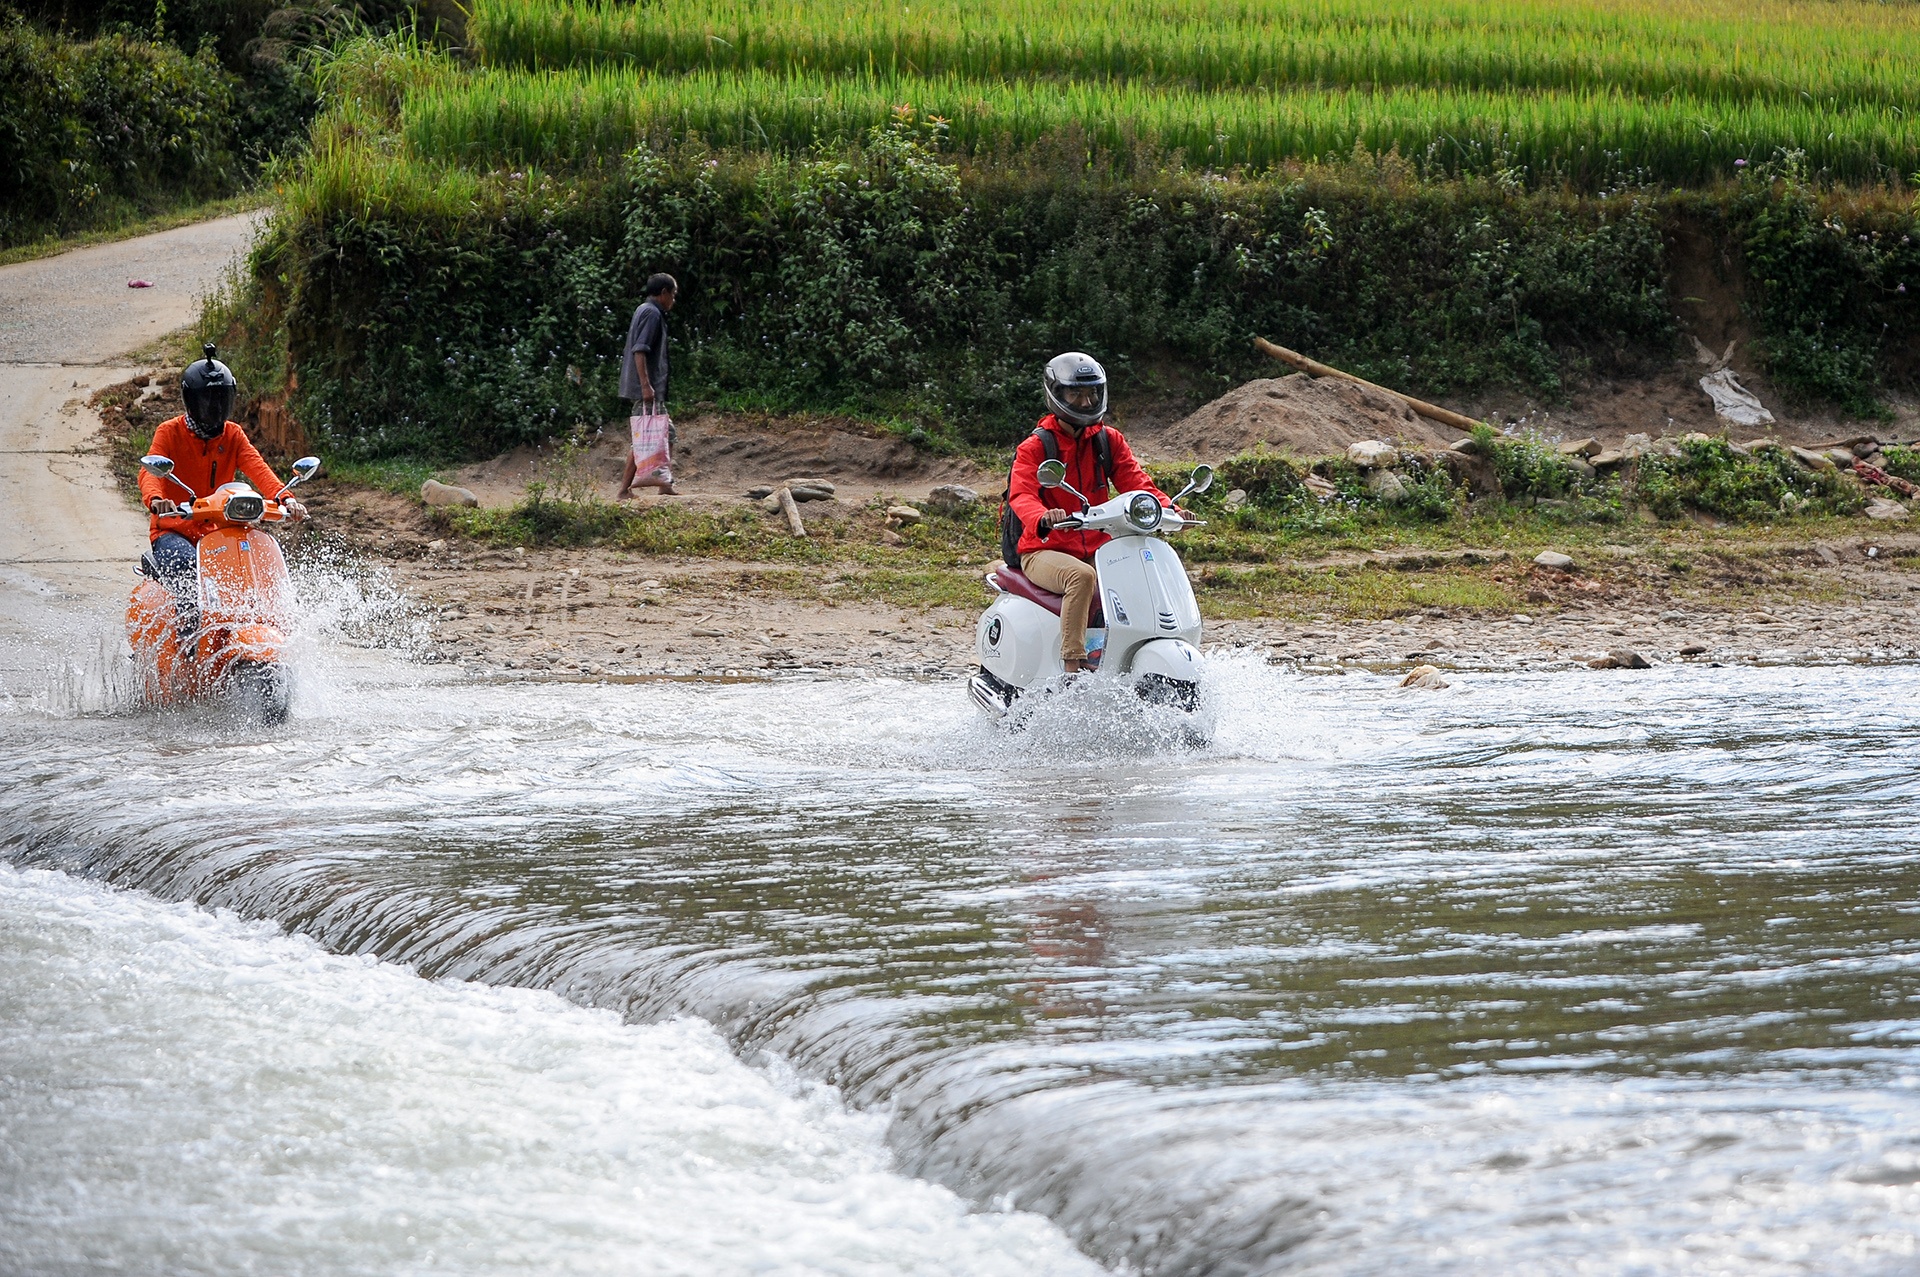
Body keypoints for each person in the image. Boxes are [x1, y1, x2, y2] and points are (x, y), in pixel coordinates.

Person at [1004, 352, 1172, 673]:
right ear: (1056, 393)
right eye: (1076, 393)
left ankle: (1129, 656)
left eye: (1092, 392)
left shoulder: (1108, 441)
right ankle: (1073, 667)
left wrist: (1170, 508)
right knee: (1080, 577)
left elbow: (1136, 483)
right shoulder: (1037, 446)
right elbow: (1021, 493)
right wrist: (1042, 516)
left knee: (1138, 569)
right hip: (1043, 549)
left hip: (1096, 546)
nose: (1085, 401)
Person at [138, 345, 306, 642]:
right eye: (207, 400)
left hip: (218, 530)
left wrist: (286, 498)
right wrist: (156, 501)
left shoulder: (233, 434)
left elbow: (258, 468)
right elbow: (150, 471)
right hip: (174, 532)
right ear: (191, 401)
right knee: (190, 572)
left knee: (251, 571)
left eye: (220, 400)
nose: (214, 408)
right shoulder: (169, 432)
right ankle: (189, 645)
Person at [618, 273, 679, 497]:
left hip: (647, 388)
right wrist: (646, 386)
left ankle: (665, 484)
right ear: (663, 293)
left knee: (665, 434)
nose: (673, 299)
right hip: (646, 389)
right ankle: (624, 490)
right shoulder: (652, 314)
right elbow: (640, 350)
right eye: (673, 294)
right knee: (644, 438)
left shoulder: (644, 309)